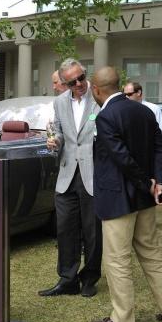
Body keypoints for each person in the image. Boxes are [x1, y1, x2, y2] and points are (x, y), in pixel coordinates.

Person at [89, 66, 162, 322]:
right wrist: (159, 183)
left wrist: (147, 183)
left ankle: (122, 318)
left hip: (119, 198)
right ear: (118, 85)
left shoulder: (105, 116)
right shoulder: (144, 110)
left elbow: (121, 157)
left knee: (117, 258)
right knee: (152, 252)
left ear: (96, 89)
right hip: (143, 198)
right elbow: (160, 149)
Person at [39, 58, 102, 298]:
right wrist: (54, 142)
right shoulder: (59, 102)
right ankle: (67, 278)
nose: (79, 84)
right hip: (66, 173)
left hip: (92, 174)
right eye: (72, 81)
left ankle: (90, 277)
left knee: (92, 230)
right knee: (65, 228)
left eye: (81, 78)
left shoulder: (98, 98)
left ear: (85, 75)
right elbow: (60, 133)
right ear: (64, 83)